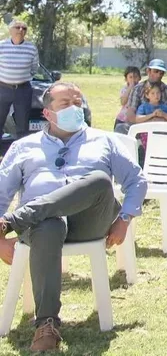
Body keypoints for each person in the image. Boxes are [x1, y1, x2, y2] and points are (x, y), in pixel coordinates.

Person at [0, 82, 147, 352]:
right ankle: (46, 324)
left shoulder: (105, 140)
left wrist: (125, 219)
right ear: (47, 113)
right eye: (66, 104)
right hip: (41, 229)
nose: (75, 108)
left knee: (100, 181)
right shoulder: (24, 147)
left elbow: (136, 181)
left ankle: (16, 219)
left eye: (78, 102)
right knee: (49, 224)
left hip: (89, 221)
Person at [0, 19, 40, 141]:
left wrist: (21, 78)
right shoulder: (1, 46)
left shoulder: (31, 48)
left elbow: (34, 68)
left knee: (22, 124)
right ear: (10, 30)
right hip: (3, 89)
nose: (21, 30)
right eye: (18, 27)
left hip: (23, 89)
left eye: (24, 28)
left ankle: (21, 153)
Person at [125, 59, 167, 125]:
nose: (159, 75)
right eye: (156, 71)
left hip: (164, 127)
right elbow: (131, 114)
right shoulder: (137, 89)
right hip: (141, 126)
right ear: (148, 71)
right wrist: (150, 121)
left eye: (161, 73)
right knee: (120, 127)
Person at [113, 66, 141, 134]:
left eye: (135, 77)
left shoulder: (141, 89)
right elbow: (123, 102)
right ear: (126, 79)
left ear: (139, 78)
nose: (133, 79)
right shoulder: (124, 89)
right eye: (130, 77)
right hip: (122, 118)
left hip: (135, 118)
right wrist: (130, 88)